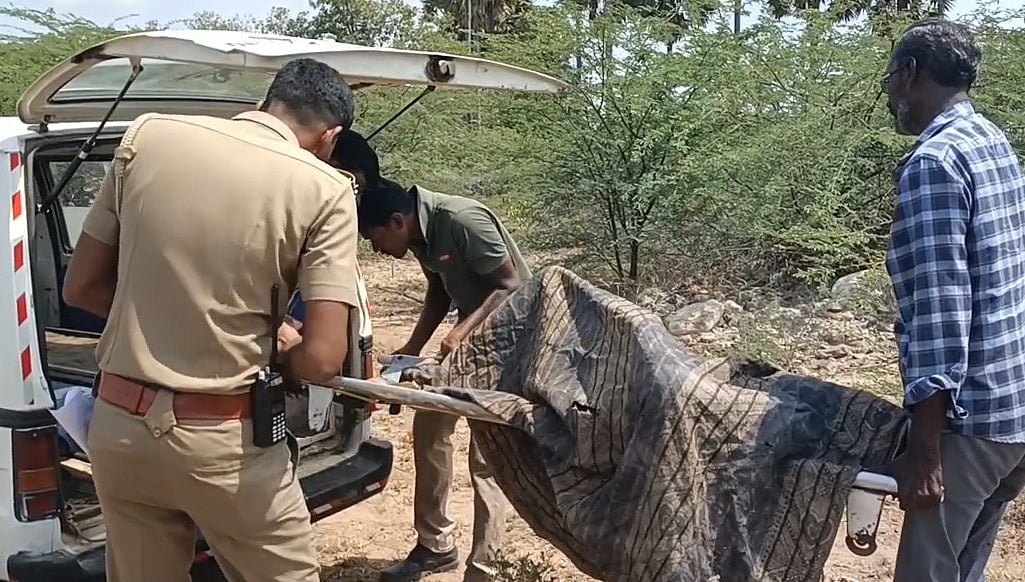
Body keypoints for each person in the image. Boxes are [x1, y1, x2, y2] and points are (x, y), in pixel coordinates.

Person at [62, 58, 362, 582]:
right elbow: (321, 359)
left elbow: (82, 287)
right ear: (330, 135)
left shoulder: (148, 137)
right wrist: (281, 344)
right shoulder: (325, 188)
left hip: (119, 431)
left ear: (270, 100)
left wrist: (166, 315)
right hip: (223, 441)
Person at [882, 19, 1025, 582]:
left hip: (973, 425)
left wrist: (926, 449)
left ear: (911, 74)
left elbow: (941, 309)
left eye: (890, 80)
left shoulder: (934, 163)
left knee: (928, 572)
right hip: (1015, 410)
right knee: (965, 568)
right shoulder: (991, 141)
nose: (891, 96)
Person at [358, 179, 530, 582]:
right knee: (430, 426)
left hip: (514, 340)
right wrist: (413, 348)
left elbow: (511, 286)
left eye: (374, 239)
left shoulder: (460, 219)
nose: (376, 249)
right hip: (473, 338)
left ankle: (488, 567)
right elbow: (439, 290)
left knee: (488, 456)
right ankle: (435, 546)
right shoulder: (419, 234)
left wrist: (459, 335)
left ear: (397, 221)